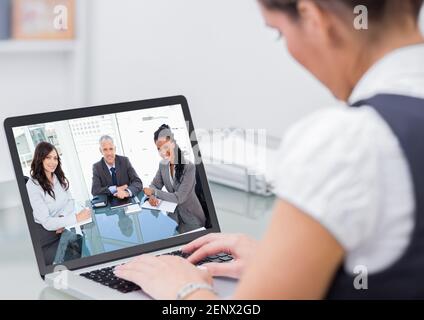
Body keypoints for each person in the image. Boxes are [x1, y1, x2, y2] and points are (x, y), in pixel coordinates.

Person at [114, 0, 424, 299]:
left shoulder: (348, 141)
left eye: (279, 32)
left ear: (312, 17)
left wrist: (184, 290)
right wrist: (285, 264)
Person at [26, 142, 91, 265]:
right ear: (40, 158)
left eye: (55, 158)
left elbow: (70, 202)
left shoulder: (58, 177)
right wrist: (76, 218)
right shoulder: (33, 185)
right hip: (45, 237)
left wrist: (61, 218)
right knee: (72, 258)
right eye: (48, 157)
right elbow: (46, 222)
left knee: (81, 245)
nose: (53, 162)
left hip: (59, 228)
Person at [143, 124, 206, 233]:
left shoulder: (188, 167)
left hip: (192, 218)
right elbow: (154, 185)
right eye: (159, 149)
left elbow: (179, 198)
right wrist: (152, 196)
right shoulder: (163, 165)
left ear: (173, 143)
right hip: (173, 215)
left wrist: (154, 192)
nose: (162, 152)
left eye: (165, 147)